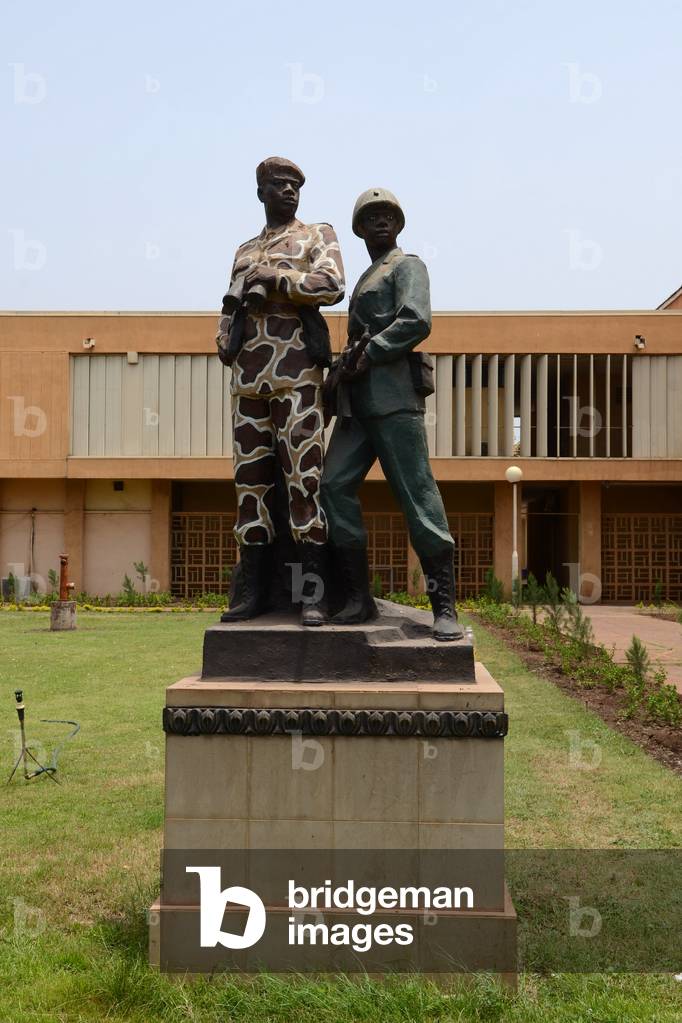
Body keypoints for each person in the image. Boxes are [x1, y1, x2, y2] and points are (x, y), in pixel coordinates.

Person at [321, 188, 464, 641]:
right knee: (332, 486)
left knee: (417, 496)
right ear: (360, 229)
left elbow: (416, 319)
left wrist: (373, 350)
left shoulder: (407, 265)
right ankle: (357, 597)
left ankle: (444, 608)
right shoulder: (366, 276)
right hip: (356, 406)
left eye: (388, 216)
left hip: (395, 398)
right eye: (371, 217)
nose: (381, 222)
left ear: (398, 224)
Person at [216, 157, 345, 625]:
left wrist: (277, 279)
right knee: (249, 485)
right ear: (261, 192)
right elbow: (228, 308)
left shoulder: (317, 235)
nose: (288, 191)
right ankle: (251, 593)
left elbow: (332, 286)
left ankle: (313, 593)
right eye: (278, 185)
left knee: (304, 483)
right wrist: (224, 334)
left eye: (294, 185)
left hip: (298, 377)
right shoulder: (244, 249)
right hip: (248, 381)